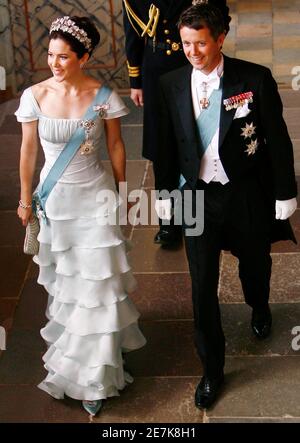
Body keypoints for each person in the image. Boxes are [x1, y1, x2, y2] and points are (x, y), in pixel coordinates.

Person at [155, 3, 298, 409]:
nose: (193, 52)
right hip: (194, 198)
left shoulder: (254, 79)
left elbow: (278, 140)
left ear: (220, 38)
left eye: (201, 42)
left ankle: (259, 305)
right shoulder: (170, 84)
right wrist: (166, 198)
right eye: (186, 43)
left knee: (255, 263)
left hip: (243, 194)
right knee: (201, 287)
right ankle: (212, 370)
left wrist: (284, 192)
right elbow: (164, 149)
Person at [15, 15, 146, 416]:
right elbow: (28, 152)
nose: (54, 63)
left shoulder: (104, 95)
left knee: (100, 286)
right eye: (51, 55)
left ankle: (97, 377)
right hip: (56, 201)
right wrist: (24, 199)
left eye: (64, 56)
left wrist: (124, 194)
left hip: (95, 199)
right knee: (71, 287)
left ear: (84, 56)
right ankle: (72, 363)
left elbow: (118, 147)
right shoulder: (34, 95)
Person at [123, 0, 231, 247]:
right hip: (157, 68)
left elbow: (220, 20)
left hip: (193, 62)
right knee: (162, 146)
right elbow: (132, 31)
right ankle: (168, 222)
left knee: (201, 137)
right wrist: (135, 80)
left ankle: (201, 210)